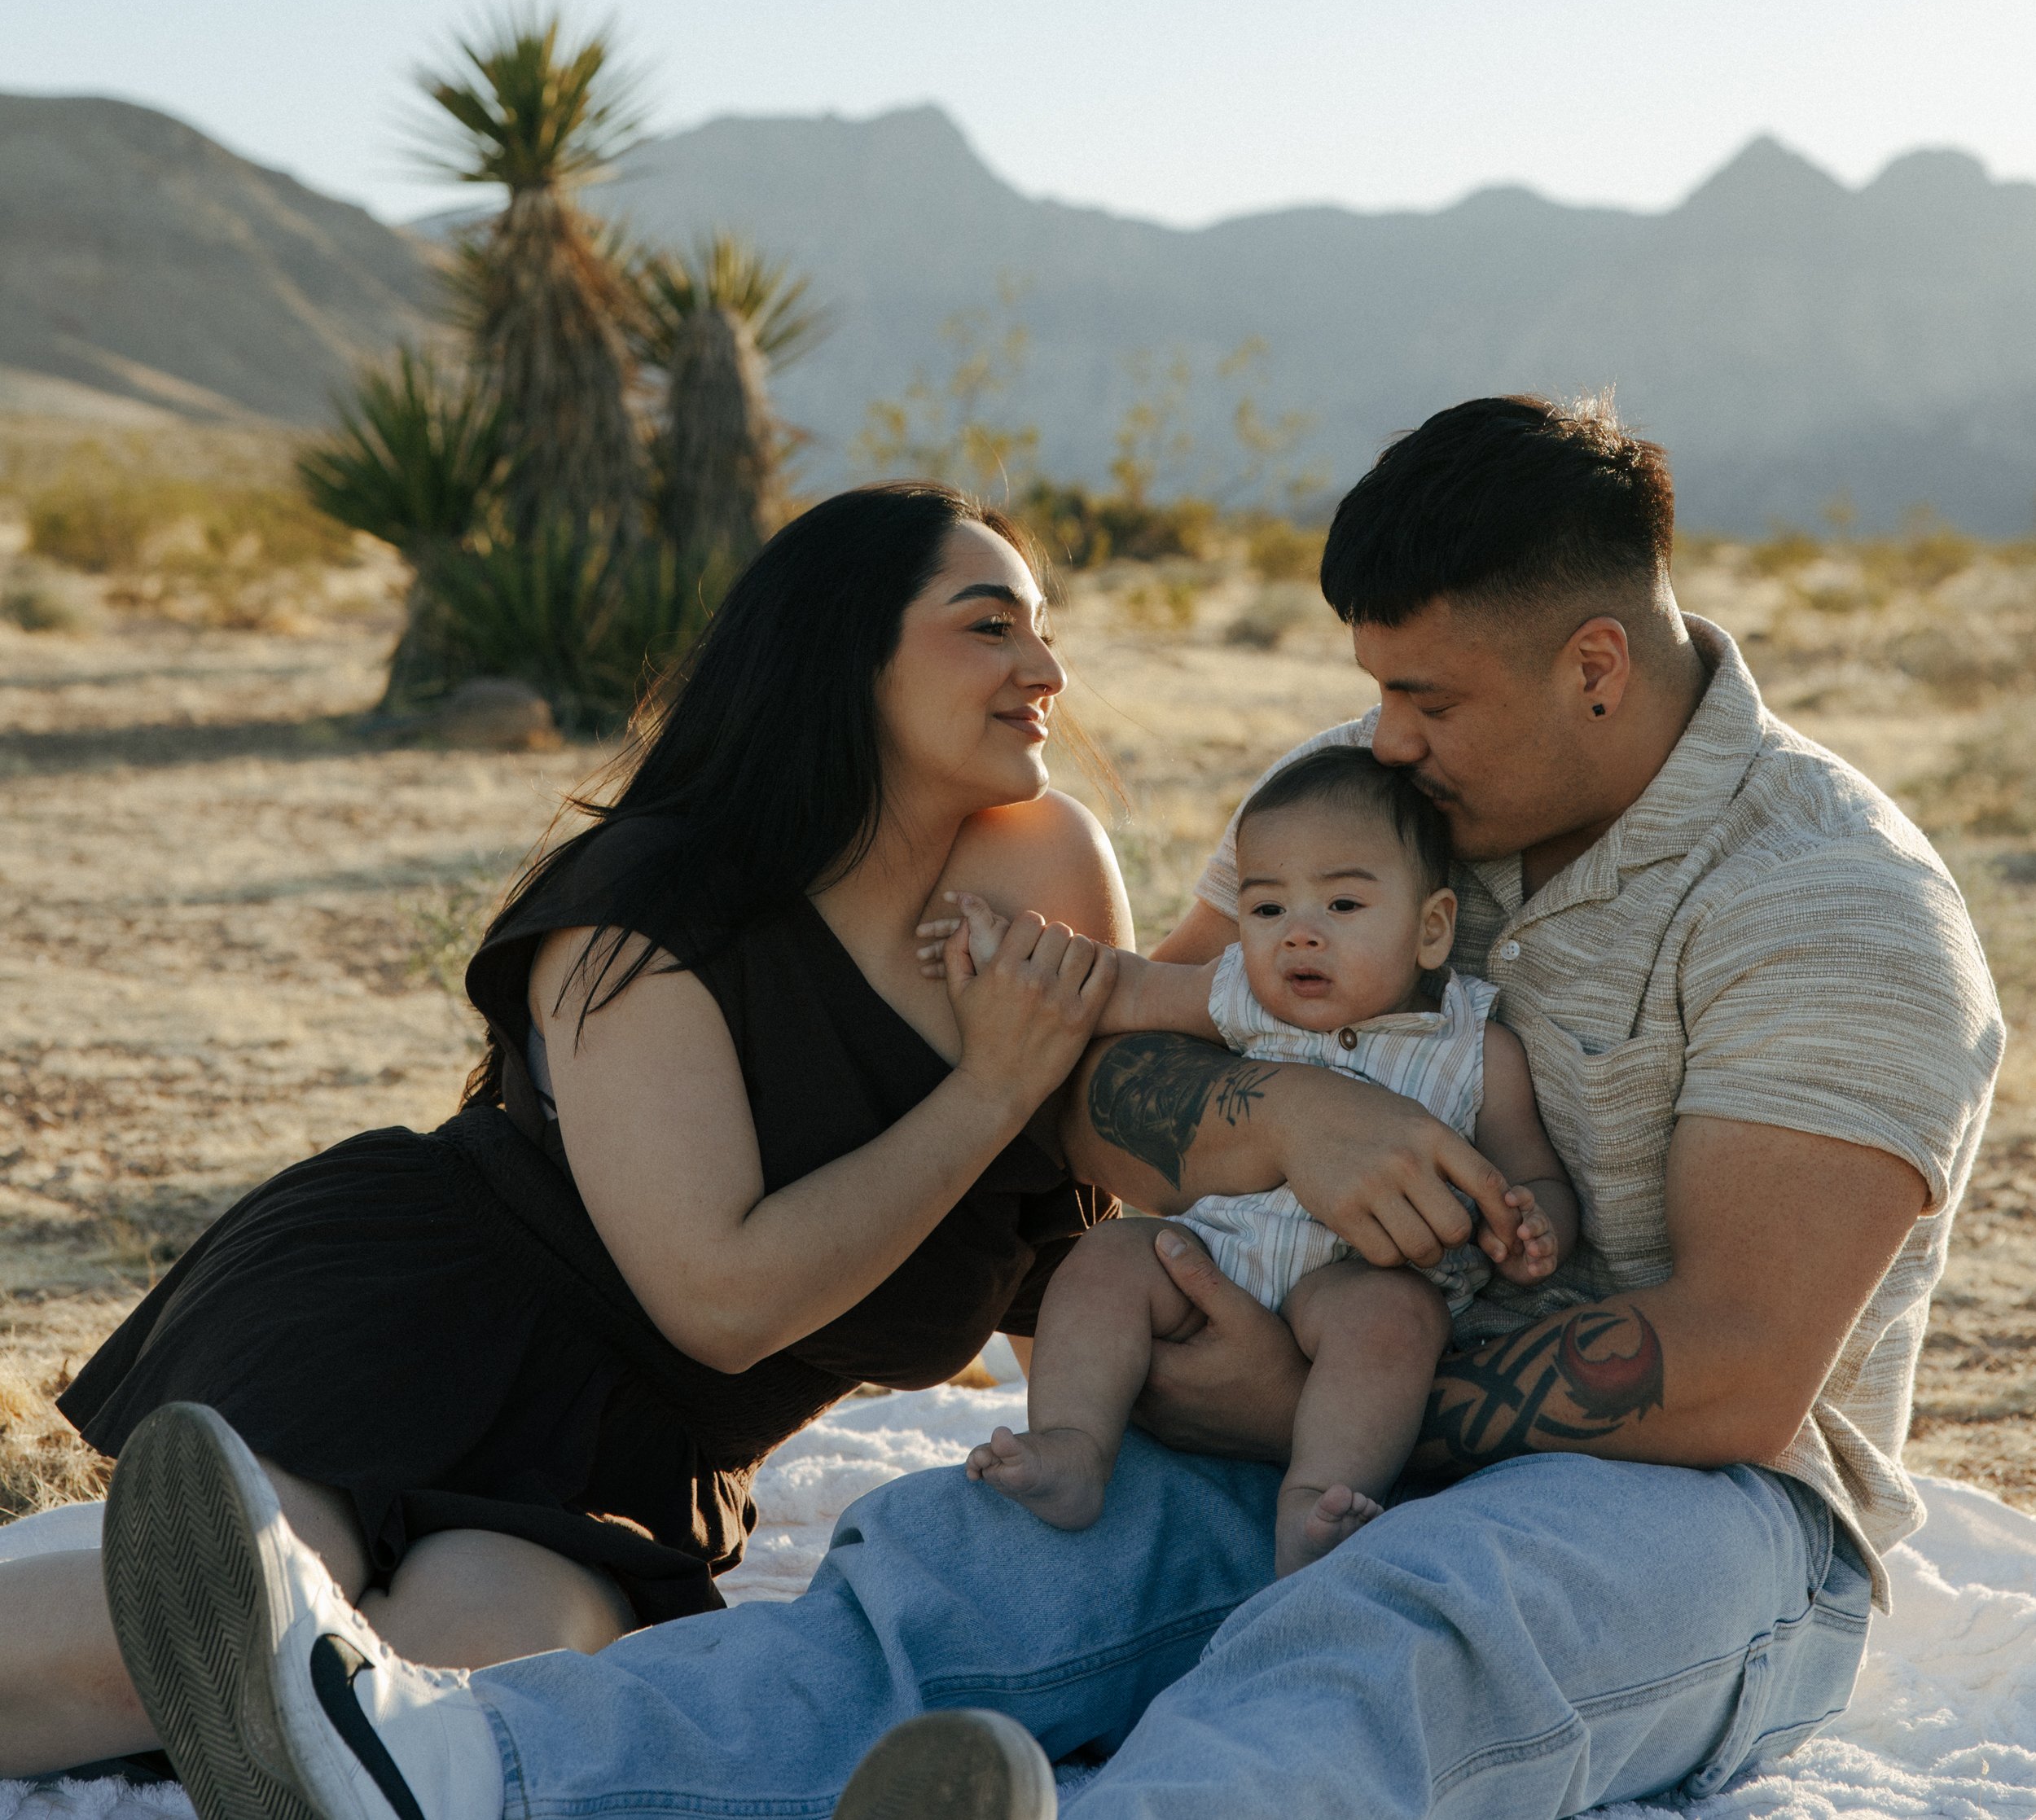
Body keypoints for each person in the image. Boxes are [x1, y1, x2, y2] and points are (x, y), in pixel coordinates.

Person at [95, 396, 2004, 1820]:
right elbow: (1107, 1089)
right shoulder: (1368, 801)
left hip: (1692, 1512)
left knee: (1396, 1630)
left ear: (1593, 664)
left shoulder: (1827, 908)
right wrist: (1287, 1117)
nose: (1384, 740)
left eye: (1427, 699)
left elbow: (1733, 1372)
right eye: (1373, 693)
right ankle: (448, 1769)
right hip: (1290, 1407)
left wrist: (1299, 1399)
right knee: (957, 1578)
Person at [2, 483, 1132, 1783]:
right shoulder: (646, 903)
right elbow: (720, 1297)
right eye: (990, 625)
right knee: (221, 1619)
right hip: (412, 1317)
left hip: (636, 1453)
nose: (1046, 670)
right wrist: (985, 1090)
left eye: (1042, 629)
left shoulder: (1043, 868)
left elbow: (1066, 1239)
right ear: (841, 652)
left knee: (465, 1690)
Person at [942, 747, 1575, 1572]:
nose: (1299, 932)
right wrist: (1014, 959)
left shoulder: (1475, 1049)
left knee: (1397, 1320)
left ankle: (1314, 1500)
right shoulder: (1236, 991)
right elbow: (1124, 988)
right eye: (1268, 907)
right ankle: (1073, 1445)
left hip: (1356, 1281)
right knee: (1107, 1255)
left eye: (1342, 904)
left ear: (1431, 929)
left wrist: (1531, 1226)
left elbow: (1531, 1174)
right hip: (1217, 1256)